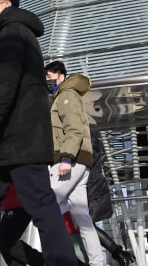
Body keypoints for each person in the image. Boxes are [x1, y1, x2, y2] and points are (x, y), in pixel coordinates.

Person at [0, 0, 79, 266]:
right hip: (7, 144)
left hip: (20, 138)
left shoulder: (13, 33)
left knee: (39, 203)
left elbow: (5, 84)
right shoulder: (12, 33)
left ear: (5, 5)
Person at [45, 61, 104, 266]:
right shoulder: (63, 95)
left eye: (50, 74)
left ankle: (60, 259)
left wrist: (66, 158)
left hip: (72, 160)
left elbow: (74, 128)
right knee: (83, 219)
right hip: (80, 161)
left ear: (61, 75)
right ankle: (97, 263)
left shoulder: (66, 95)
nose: (47, 78)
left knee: (45, 204)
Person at [87, 130, 137, 266]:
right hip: (93, 190)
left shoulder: (83, 142)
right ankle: (120, 254)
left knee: (82, 225)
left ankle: (119, 253)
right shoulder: (92, 141)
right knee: (82, 225)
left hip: (87, 191)